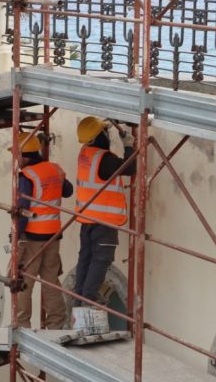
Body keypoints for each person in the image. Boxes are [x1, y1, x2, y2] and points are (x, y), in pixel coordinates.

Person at [72, 116, 135, 308]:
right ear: (100, 136)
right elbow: (131, 167)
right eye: (105, 132)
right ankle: (87, 303)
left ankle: (78, 301)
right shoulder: (104, 159)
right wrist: (129, 146)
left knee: (85, 259)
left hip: (87, 219)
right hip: (104, 222)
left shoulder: (85, 153)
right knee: (100, 262)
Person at [13, 131, 73, 329]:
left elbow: (22, 208)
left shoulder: (27, 176)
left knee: (23, 282)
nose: (16, 160)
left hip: (32, 236)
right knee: (50, 280)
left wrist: (16, 235)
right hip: (53, 235)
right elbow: (68, 190)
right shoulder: (54, 169)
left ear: (25, 156)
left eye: (16, 155)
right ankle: (56, 323)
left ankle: (21, 325)